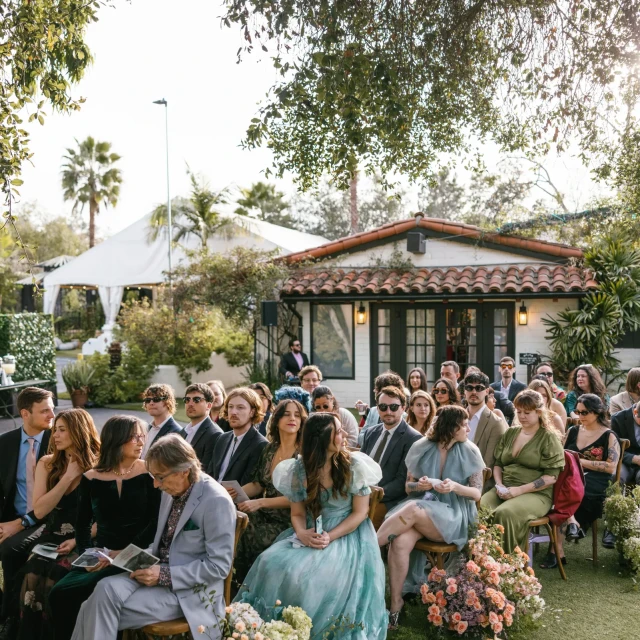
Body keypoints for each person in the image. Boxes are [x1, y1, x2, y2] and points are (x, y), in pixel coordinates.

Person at [235, 413, 388, 639]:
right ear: (321, 438)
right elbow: (297, 513)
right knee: (270, 561)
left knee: (307, 575)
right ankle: (270, 628)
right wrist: (301, 532)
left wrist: (330, 536)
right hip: (310, 529)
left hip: (346, 532)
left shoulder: (354, 466)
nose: (344, 435)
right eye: (338, 431)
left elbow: (360, 513)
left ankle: (306, 628)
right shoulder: (300, 469)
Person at [69, 435, 236, 640]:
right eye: (153, 476)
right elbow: (164, 545)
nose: (155, 484)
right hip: (153, 571)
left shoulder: (216, 501)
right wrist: (120, 555)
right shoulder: (170, 489)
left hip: (189, 593)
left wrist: (164, 575)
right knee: (104, 588)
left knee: (92, 608)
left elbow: (219, 566)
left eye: (160, 477)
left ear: (184, 470)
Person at [49, 416, 161, 640]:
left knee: (92, 590)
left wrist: (123, 553)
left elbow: (155, 521)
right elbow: (82, 525)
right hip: (101, 555)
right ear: (116, 439)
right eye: (135, 437)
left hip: (140, 554)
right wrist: (89, 556)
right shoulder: (91, 477)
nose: (141, 442)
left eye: (142, 436)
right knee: (58, 593)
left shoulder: (149, 473)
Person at [377, 405, 485, 629]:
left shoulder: (471, 450)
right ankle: (395, 605)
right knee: (399, 541)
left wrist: (455, 487)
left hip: (455, 515)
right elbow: (408, 487)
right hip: (424, 509)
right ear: (451, 427)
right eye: (464, 425)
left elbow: (477, 494)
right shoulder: (422, 447)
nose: (468, 428)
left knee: (413, 509)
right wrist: (421, 485)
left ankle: (369, 546)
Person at [15, 409, 100, 640]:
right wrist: (68, 476)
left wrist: (77, 540)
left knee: (57, 576)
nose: (55, 436)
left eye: (62, 430)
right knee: (33, 574)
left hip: (86, 538)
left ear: (79, 432)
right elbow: (39, 511)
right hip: (51, 536)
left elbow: (105, 518)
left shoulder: (99, 466)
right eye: (55, 430)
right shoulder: (47, 464)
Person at [540, 394, 620, 569]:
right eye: (577, 412)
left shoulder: (609, 436)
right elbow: (559, 456)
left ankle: (556, 550)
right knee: (563, 487)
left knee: (564, 492)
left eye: (584, 412)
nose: (580, 416)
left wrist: (578, 462)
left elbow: (610, 467)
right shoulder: (573, 431)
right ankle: (570, 525)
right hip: (569, 479)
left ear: (597, 412)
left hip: (595, 483)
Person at [480, 390, 565, 554]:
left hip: (536, 493)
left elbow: (551, 477)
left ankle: (505, 561)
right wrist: (499, 485)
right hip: (504, 487)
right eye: (519, 412)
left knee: (505, 513)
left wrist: (519, 490)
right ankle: (479, 558)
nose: (522, 416)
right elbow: (498, 464)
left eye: (527, 412)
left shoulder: (549, 438)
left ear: (539, 412)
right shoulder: (511, 433)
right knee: (480, 508)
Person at [234, 399, 308, 584]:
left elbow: (301, 497)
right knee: (233, 517)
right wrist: (232, 493)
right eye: (286, 414)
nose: (292, 419)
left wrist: (260, 502)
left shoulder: (305, 454)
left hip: (291, 517)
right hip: (266, 512)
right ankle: (232, 579)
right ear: (276, 420)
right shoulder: (270, 449)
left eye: (297, 415)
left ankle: (248, 583)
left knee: (249, 530)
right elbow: (258, 484)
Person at [0, 387, 54, 632]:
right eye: (45, 411)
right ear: (25, 413)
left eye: (52, 409)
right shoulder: (6, 443)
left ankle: (11, 618)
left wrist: (20, 524)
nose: (52, 415)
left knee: (10, 550)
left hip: (48, 518)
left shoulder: (58, 441)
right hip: (13, 516)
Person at [361, 386, 422, 527]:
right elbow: (360, 467)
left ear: (403, 408)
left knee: (361, 519)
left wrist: (372, 495)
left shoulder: (413, 438)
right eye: (383, 407)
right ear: (377, 409)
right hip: (361, 495)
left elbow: (401, 482)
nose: (388, 412)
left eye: (394, 407)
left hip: (389, 501)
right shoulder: (370, 433)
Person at [207, 388, 268, 489]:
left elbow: (250, 483)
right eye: (230, 407)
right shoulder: (222, 438)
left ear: (252, 412)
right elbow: (211, 473)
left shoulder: (260, 444)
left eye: (240, 407)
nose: (233, 412)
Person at [462, 371, 507, 484]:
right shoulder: (456, 418)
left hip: (478, 482)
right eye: (469, 388)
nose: (474, 392)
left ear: (487, 391)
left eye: (479, 388)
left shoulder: (495, 423)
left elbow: (488, 464)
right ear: (464, 391)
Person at [182, 383, 223, 470]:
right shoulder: (183, 431)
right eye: (187, 399)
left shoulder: (215, 435)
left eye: (196, 400)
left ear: (209, 405)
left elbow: (207, 471)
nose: (190, 404)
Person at [357, 370, 407, 440]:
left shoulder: (404, 417)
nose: (374, 391)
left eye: (377, 389)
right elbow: (361, 437)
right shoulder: (373, 411)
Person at [140, 384, 185, 459]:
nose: (151, 403)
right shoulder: (146, 429)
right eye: (148, 400)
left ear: (168, 402)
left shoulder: (177, 432)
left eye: (156, 399)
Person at [611, 400, 640, 487]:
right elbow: (612, 449)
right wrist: (634, 458)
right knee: (615, 477)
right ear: (635, 412)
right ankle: (614, 496)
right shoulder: (617, 419)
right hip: (624, 461)